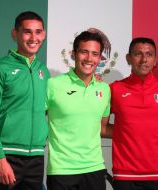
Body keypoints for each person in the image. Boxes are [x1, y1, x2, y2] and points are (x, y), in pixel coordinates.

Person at [0, 11, 49, 190]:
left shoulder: (44, 71)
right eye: (27, 32)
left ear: (44, 34)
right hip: (7, 156)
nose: (33, 37)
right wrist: (0, 159)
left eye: (38, 32)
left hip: (36, 158)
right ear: (15, 34)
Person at [110, 37, 158, 190]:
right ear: (128, 58)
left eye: (149, 54)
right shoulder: (115, 89)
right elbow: (95, 122)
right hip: (125, 176)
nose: (144, 59)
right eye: (138, 54)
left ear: (155, 60)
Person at [46, 31, 111, 190]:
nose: (89, 59)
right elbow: (32, 118)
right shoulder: (53, 85)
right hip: (61, 171)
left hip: (94, 169)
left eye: (95, 54)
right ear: (74, 54)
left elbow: (103, 128)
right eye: (84, 52)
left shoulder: (104, 89)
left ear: (100, 58)